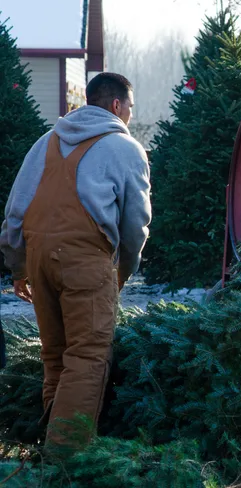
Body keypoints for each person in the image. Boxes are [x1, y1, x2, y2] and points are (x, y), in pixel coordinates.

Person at [0, 72, 151, 451]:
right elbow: (136, 225)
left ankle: (46, 443)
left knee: (56, 354)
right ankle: (66, 462)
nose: (131, 114)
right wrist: (124, 271)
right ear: (117, 105)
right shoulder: (126, 148)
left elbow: (15, 213)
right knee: (87, 356)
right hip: (85, 261)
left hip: (38, 259)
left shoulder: (45, 142)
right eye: (130, 107)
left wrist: (18, 267)